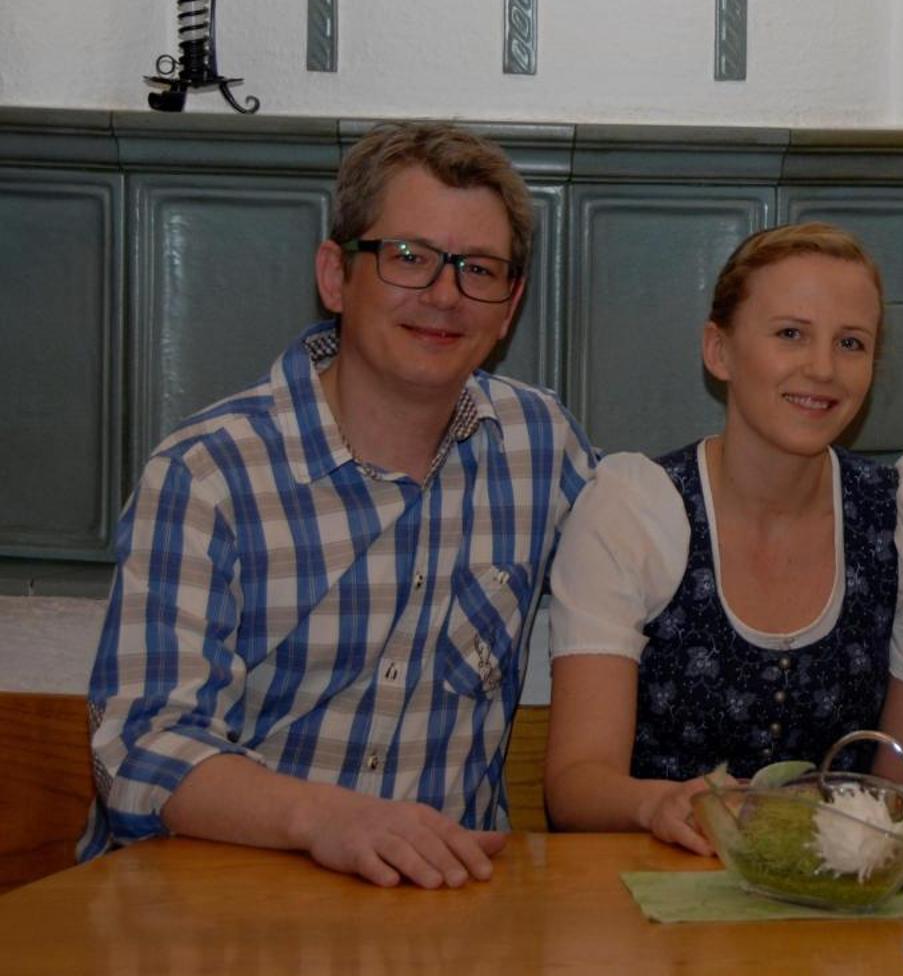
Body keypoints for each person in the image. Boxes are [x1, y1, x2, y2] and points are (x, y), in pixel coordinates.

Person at [78, 122, 595, 888]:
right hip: (215, 912)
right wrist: (328, 818)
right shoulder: (208, 473)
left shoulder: (540, 447)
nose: (444, 294)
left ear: (510, 305)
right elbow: (142, 748)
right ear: (335, 274)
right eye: (408, 257)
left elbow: (661, 570)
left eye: (478, 269)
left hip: (441, 920)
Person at [542, 223, 903, 855]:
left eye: (851, 343)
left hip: (837, 911)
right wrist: (656, 803)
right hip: (653, 901)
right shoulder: (634, 511)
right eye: (790, 334)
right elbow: (574, 786)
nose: (822, 368)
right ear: (720, 351)